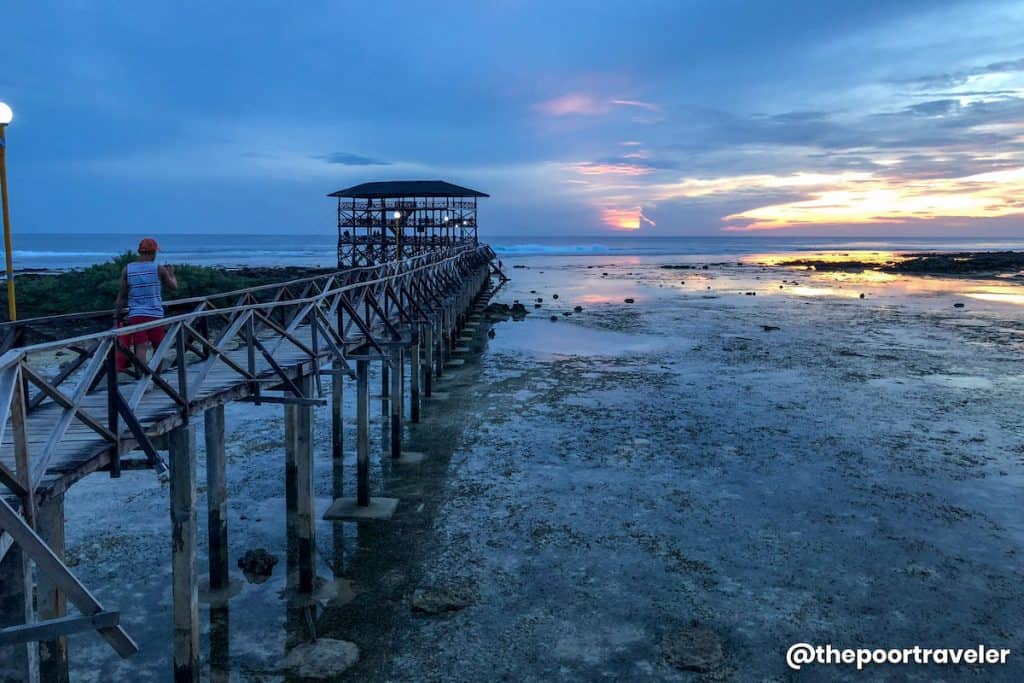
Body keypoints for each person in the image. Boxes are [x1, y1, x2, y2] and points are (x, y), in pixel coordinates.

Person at [114, 237, 177, 371]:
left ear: (139, 251)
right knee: (158, 347)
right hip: (155, 314)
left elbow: (122, 296)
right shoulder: (158, 268)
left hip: (136, 314)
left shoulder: (128, 269)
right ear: (154, 252)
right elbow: (174, 287)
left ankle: (142, 380)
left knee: (140, 347)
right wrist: (172, 274)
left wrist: (116, 316)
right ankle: (156, 379)